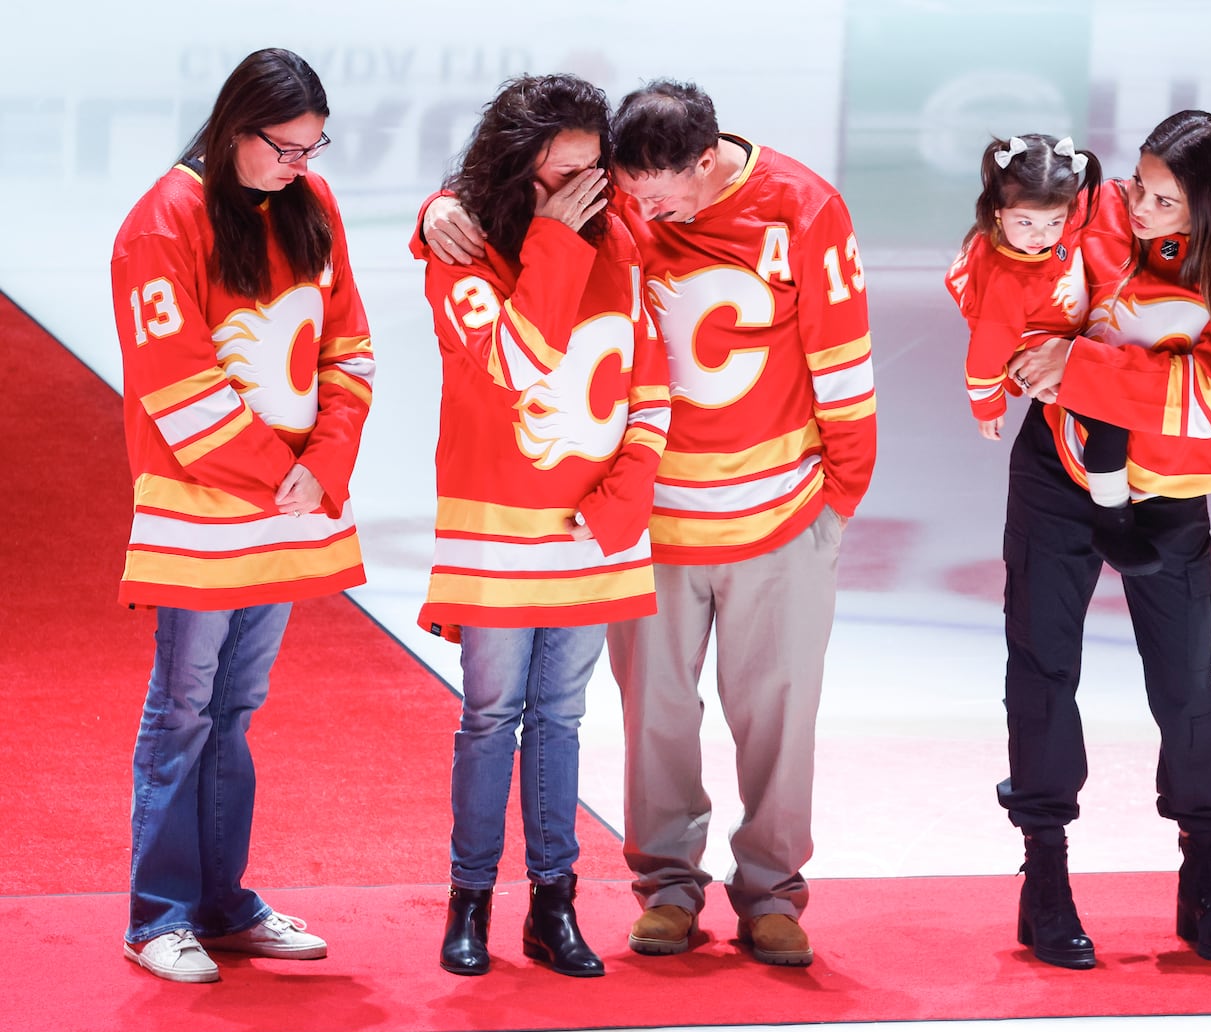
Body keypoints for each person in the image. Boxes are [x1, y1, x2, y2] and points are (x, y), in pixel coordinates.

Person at [428, 78, 877, 967]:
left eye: (654, 190)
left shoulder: (802, 208)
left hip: (779, 511)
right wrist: (440, 203)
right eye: (624, 187)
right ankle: (667, 886)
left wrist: (838, 502)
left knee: (780, 716)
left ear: (706, 160)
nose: (638, 206)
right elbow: (523, 208)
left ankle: (774, 893)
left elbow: (844, 354)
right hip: (649, 522)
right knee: (653, 720)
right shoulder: (627, 207)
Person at [1001, 110, 1211, 969]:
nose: (1138, 206)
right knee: (1042, 666)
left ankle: (1204, 875)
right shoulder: (1100, 206)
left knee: (1187, 688)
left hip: (1170, 493)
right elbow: (1011, 274)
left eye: (1165, 199)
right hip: (1056, 470)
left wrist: (1081, 367)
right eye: (1138, 184)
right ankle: (1045, 875)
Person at [111, 48, 375, 984]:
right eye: (286, 148)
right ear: (236, 128)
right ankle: (158, 917)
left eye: (313, 147)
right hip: (204, 513)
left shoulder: (313, 202)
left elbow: (351, 348)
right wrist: (284, 473)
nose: (301, 164)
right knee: (183, 709)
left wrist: (327, 462)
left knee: (236, 711)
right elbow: (175, 384)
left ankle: (221, 903)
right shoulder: (163, 221)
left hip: (288, 507)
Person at [413, 73, 669, 979]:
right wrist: (554, 239)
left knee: (561, 720)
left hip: (591, 533)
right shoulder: (460, 249)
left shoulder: (623, 238)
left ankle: (553, 906)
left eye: (590, 174)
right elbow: (515, 364)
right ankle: (470, 903)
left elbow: (649, 382)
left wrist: (624, 503)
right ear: (515, 164)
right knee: (491, 717)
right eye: (560, 177)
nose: (581, 192)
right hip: (495, 527)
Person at [946, 134, 1158, 576]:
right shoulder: (1009, 280)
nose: (1039, 236)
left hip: (1075, 339)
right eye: (1024, 223)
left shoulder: (1058, 221)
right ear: (997, 214)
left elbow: (1082, 207)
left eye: (1052, 223)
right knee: (1109, 417)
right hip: (1036, 351)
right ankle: (1112, 518)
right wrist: (987, 402)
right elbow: (987, 348)